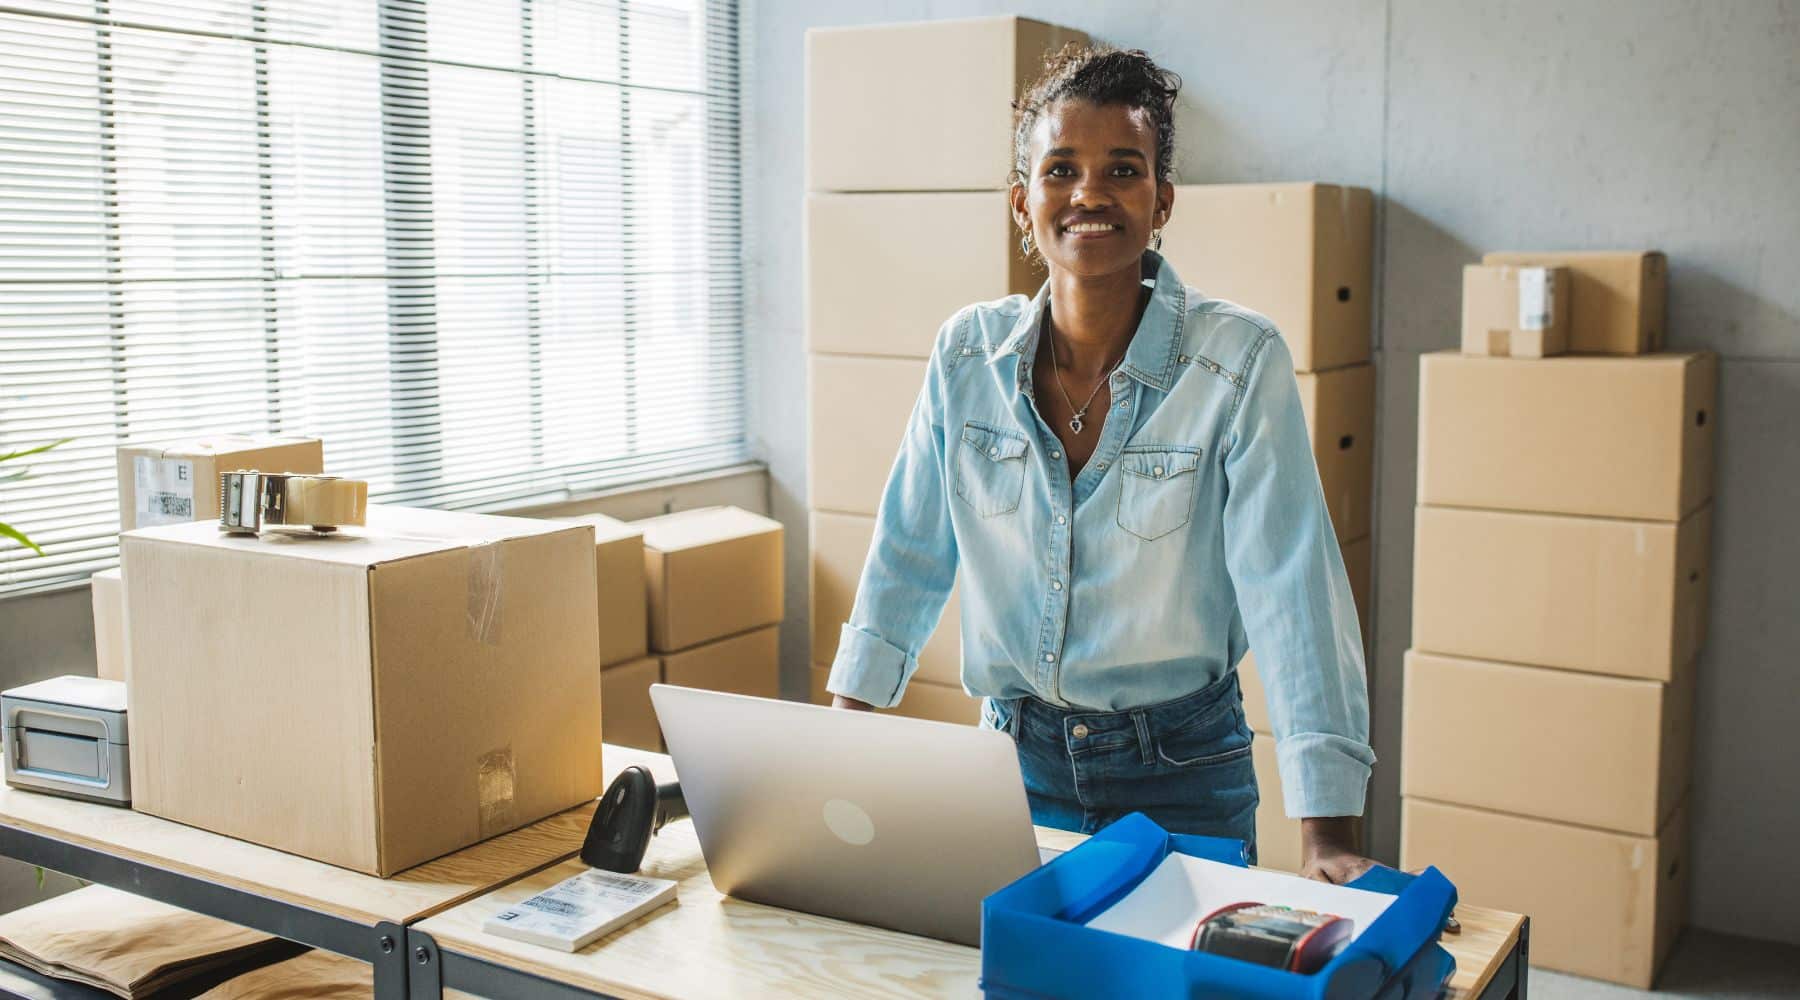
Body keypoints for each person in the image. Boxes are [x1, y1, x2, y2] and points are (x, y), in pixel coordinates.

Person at [824, 44, 1377, 884]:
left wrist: (1328, 834)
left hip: (1184, 775)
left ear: (1160, 203)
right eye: (1061, 170)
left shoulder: (1236, 360)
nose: (1090, 193)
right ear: (1023, 202)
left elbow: (1292, 586)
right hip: (1012, 769)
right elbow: (908, 550)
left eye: (1123, 168)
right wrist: (839, 742)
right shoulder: (966, 354)